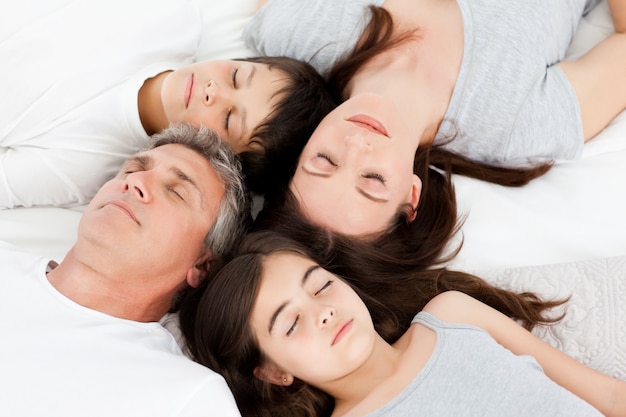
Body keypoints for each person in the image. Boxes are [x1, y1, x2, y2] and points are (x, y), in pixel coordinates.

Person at [246, 0, 626, 222]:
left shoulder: (296, 33)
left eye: (325, 160)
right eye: (373, 179)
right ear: (411, 195)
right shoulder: (515, 125)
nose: (357, 146)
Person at [179, 231, 626, 417]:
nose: (324, 312)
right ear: (274, 372)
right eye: (292, 324)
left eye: (320, 287)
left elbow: (606, 394)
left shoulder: (451, 315)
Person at [0, 124, 250, 416]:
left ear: (202, 265)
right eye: (132, 170)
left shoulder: (187, 397)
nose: (136, 182)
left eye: (177, 192)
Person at [0, 0, 335, 208]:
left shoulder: (87, 167)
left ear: (217, 156)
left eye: (229, 119)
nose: (213, 91)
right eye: (235, 75)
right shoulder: (171, 15)